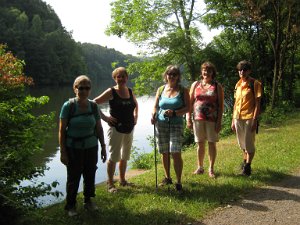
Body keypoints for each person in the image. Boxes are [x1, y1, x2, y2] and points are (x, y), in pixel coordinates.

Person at [59, 75, 107, 217]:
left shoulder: (93, 106)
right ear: (75, 89)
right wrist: (63, 151)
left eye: (87, 88)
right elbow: (62, 131)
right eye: (81, 88)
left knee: (90, 174)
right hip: (73, 148)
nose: (84, 91)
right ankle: (71, 205)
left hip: (91, 147)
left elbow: (99, 128)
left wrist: (103, 146)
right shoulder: (69, 106)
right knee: (73, 177)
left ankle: (88, 201)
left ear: (90, 90)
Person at [94, 67, 138, 193]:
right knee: (114, 157)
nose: (121, 78)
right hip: (116, 129)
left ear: (127, 78)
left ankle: (123, 180)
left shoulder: (130, 91)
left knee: (125, 156)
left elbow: (135, 104)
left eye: (123, 76)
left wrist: (136, 116)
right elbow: (94, 103)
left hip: (129, 128)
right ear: (114, 78)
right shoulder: (111, 91)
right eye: (118, 76)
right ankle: (110, 183)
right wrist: (105, 118)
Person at [151, 65, 190, 192]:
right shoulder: (161, 89)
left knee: (175, 151)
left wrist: (174, 113)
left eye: (174, 74)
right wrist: (153, 114)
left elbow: (188, 108)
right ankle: (167, 177)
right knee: (164, 151)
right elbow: (156, 106)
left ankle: (178, 181)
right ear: (166, 76)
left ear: (178, 76)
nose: (171, 76)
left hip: (176, 124)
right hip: (161, 124)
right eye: (169, 74)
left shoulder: (183, 90)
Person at [186, 62, 224, 178]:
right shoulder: (195, 84)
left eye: (208, 71)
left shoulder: (217, 86)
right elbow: (190, 102)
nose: (206, 73)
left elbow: (221, 106)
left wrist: (219, 122)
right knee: (200, 144)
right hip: (198, 119)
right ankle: (200, 167)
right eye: (204, 70)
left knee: (212, 143)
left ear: (213, 73)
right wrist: (188, 118)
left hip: (212, 120)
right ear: (201, 72)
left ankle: (211, 169)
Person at [231, 60, 262, 176]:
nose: (242, 72)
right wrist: (233, 120)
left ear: (249, 71)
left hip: (249, 117)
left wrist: (255, 119)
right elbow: (235, 103)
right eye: (240, 70)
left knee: (249, 144)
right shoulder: (238, 84)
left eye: (244, 69)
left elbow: (258, 104)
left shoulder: (255, 83)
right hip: (238, 117)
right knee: (242, 144)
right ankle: (245, 163)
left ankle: (247, 168)